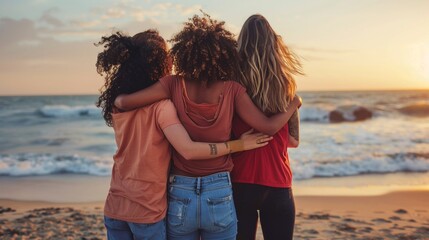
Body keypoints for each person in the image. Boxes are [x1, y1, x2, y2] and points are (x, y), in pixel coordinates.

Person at [114, 13, 302, 240]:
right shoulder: (241, 89)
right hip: (236, 186)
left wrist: (116, 98)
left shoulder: (177, 84)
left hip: (198, 186)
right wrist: (293, 104)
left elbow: (124, 102)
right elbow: (281, 134)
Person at [231, 14, 303, 240]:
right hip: (277, 182)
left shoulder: (232, 84)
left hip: (240, 181)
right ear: (272, 43)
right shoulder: (286, 84)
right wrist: (293, 104)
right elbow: (293, 141)